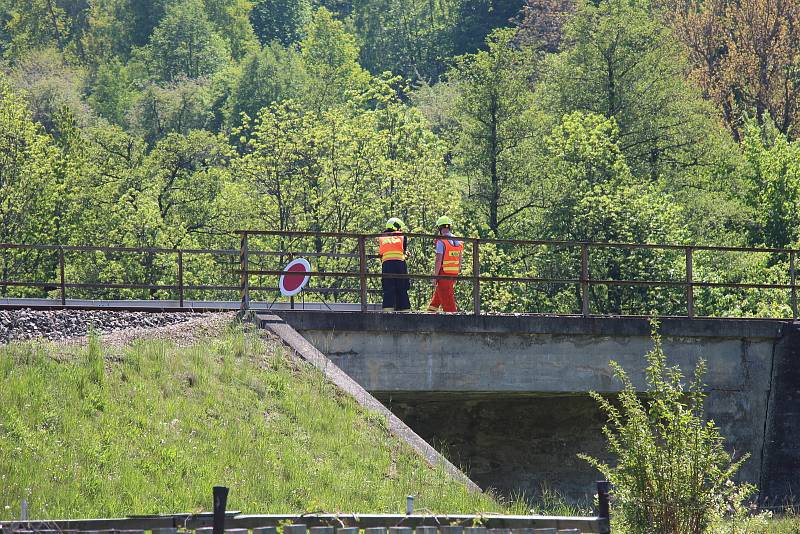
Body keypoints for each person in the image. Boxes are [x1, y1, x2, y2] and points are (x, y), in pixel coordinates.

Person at [427, 216, 463, 313]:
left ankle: (454, 324)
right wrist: (457, 273)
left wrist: (435, 276)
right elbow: (460, 259)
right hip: (454, 273)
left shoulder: (441, 241)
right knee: (437, 298)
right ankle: (430, 315)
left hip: (444, 274)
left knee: (448, 302)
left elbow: (438, 260)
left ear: (439, 228)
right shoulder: (459, 241)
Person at [378, 217, 411, 312]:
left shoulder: (382, 237)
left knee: (388, 288)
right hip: (400, 264)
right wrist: (406, 257)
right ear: (396, 227)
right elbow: (402, 251)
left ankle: (388, 312)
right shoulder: (402, 236)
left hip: (387, 265)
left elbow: (382, 253)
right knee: (402, 288)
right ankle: (405, 311)